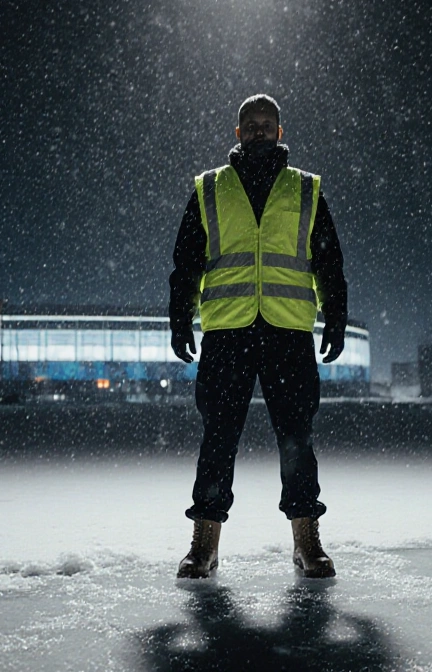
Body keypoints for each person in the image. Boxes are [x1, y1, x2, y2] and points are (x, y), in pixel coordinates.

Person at [168, 94, 348, 579]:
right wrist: (180, 317)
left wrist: (335, 314)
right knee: (218, 440)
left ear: (281, 132)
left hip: (288, 332)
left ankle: (307, 542)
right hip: (227, 333)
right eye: (251, 124)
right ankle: (203, 545)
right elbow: (186, 261)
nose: (259, 131)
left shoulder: (306, 190)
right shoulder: (210, 189)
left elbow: (328, 259)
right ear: (238, 132)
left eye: (267, 124)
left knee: (296, 440)